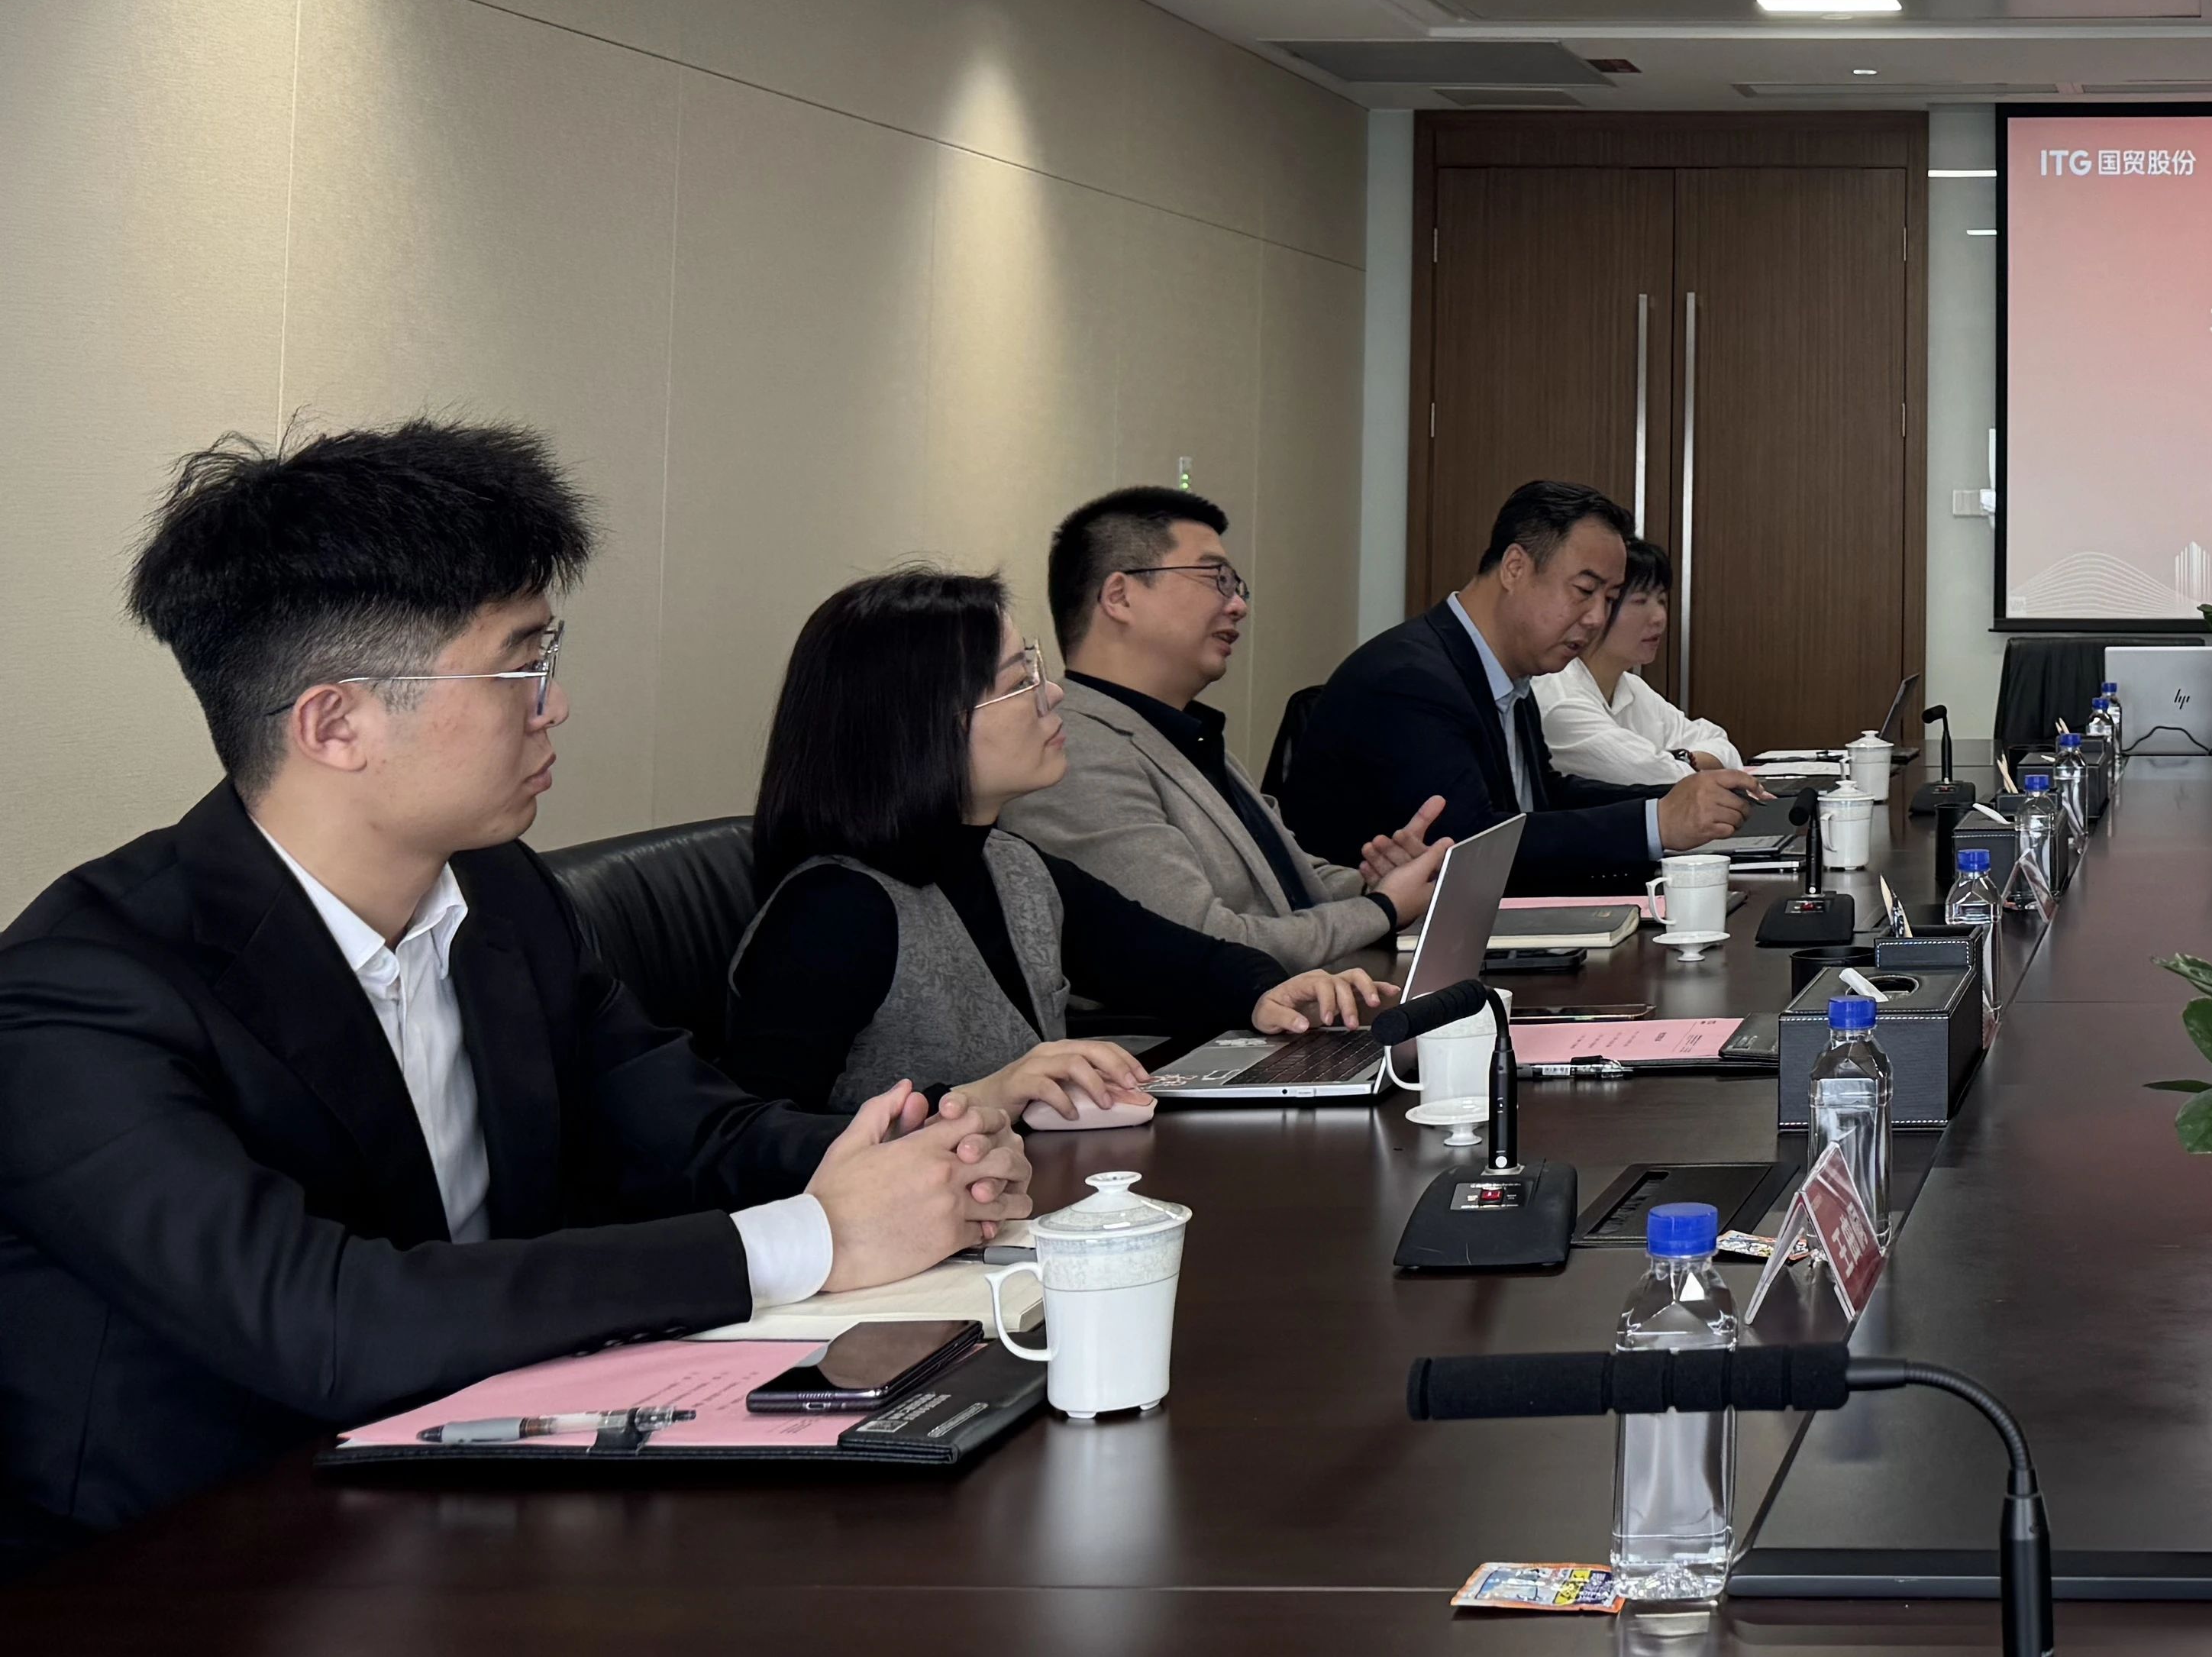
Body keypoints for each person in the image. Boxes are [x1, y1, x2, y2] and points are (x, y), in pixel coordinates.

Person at [0, 427, 1025, 1555]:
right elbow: (329, 1321)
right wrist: (809, 1238)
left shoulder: (499, 893)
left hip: (479, 1478)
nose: (555, 704)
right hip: (187, 1565)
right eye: (520, 665)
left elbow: (681, 1130)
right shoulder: (78, 992)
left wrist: (908, 1155)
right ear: (335, 724)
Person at [722, 572, 1384, 1124]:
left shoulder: (1009, 863)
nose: (1054, 694)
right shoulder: (833, 911)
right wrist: (972, 1101)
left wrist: (1266, 991)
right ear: (922, 728)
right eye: (1019, 681)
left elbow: (1164, 959)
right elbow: (754, 1141)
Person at [1003, 486, 1449, 974]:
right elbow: (1204, 945)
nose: (1238, 605)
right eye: (1217, 579)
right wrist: (1382, 908)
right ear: (1120, 596)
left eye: (1237, 586)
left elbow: (1286, 886)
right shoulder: (1075, 751)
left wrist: (1378, 885)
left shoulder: (1178, 731)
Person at [1279, 480, 1759, 884]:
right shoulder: (1411, 680)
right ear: (1515, 568)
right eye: (1585, 590)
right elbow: (1472, 844)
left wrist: (1668, 801)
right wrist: (1654, 822)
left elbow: (1542, 799)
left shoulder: (1507, 673)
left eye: (1611, 598)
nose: (1597, 618)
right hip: (1373, 951)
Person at [1532, 535, 1744, 789]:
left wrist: (1679, 759)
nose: (1659, 617)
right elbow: (1659, 779)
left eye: (1662, 601)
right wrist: (1680, 762)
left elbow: (1722, 746)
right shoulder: (1558, 698)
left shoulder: (1632, 688)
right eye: (1640, 601)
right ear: (1600, 607)